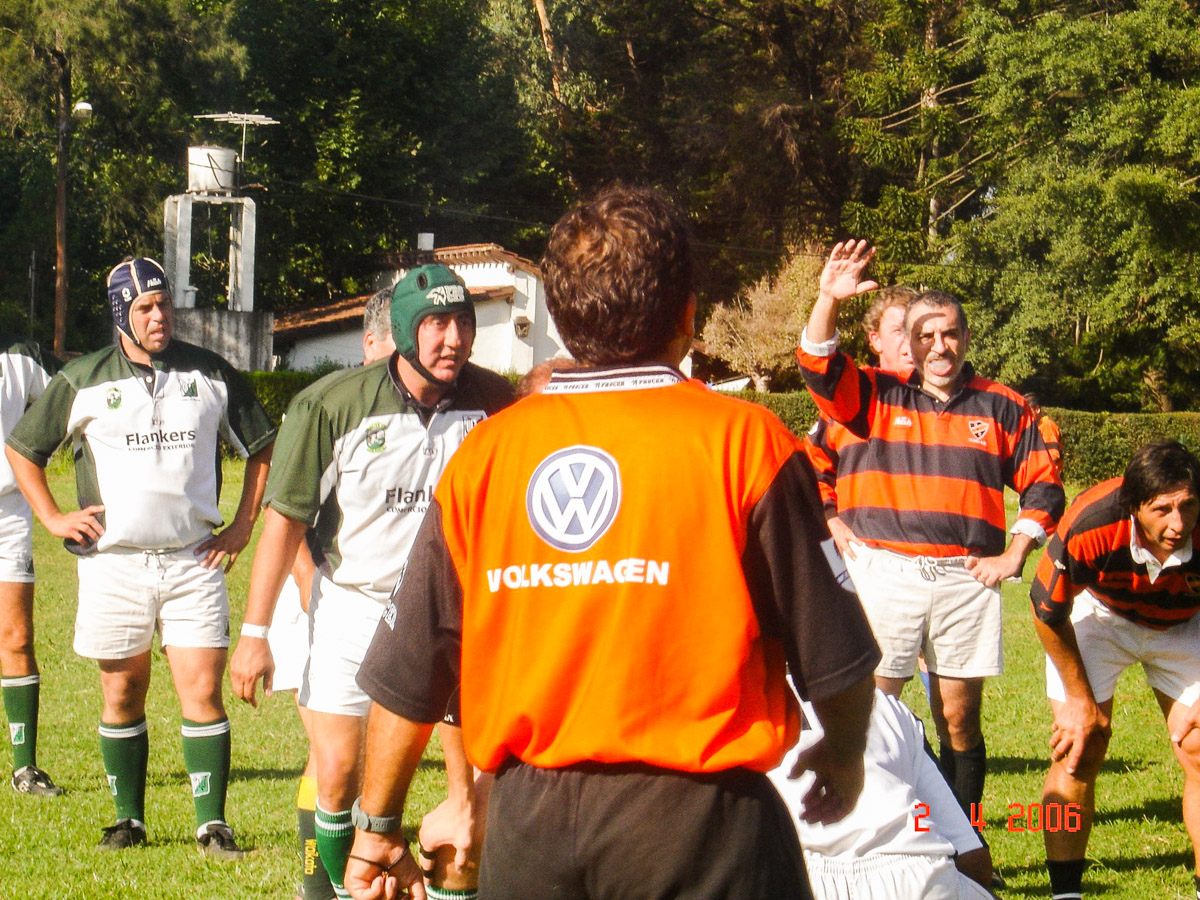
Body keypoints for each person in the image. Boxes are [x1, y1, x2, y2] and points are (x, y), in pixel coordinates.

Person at [345, 185, 880, 900]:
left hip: (528, 830)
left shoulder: (485, 456)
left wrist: (378, 825)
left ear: (562, 318)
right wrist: (844, 758)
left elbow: (410, 667)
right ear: (689, 311)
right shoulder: (745, 443)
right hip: (701, 825)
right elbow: (835, 654)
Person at [230, 264, 514, 900]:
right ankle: (329, 890)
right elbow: (283, 522)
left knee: (465, 790)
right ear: (406, 330)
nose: (453, 339)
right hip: (352, 606)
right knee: (336, 770)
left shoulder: (495, 403)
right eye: (437, 324)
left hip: (455, 614)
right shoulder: (333, 403)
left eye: (463, 323)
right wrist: (254, 633)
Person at [5, 257, 275, 855]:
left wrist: (242, 526)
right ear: (119, 313)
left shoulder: (211, 373)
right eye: (145, 308)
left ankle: (213, 825)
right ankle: (130, 819)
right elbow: (24, 448)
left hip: (192, 561)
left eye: (164, 306)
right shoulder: (82, 379)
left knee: (201, 690)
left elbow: (263, 446)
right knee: (121, 693)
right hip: (114, 564)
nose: (159, 317)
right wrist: (52, 516)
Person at [796, 240, 1065, 821]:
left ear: (965, 338)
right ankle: (868, 834)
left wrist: (1015, 552)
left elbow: (1043, 483)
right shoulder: (873, 393)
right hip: (885, 571)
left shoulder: (1003, 405)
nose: (938, 347)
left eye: (949, 335)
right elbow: (818, 367)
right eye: (925, 336)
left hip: (965, 579)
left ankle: (962, 837)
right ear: (910, 344)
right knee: (871, 709)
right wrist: (827, 299)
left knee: (960, 718)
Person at [268, 288, 397, 900]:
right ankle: (315, 883)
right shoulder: (332, 405)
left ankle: (349, 874)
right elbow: (289, 511)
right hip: (319, 599)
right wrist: (304, 582)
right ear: (372, 342)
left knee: (360, 761)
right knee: (330, 759)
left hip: (392, 609)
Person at [1030, 440, 1200, 900]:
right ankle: (1066, 893)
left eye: (1187, 506)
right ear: (1131, 507)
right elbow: (1046, 610)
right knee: (1079, 748)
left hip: (1184, 623)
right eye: (1162, 509)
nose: (1178, 524)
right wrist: (1079, 701)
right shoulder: (1091, 521)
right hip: (1099, 616)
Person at [770, 689, 995, 900]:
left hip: (800, 878)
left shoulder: (744, 716)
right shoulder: (888, 706)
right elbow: (972, 857)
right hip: (919, 872)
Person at [804, 286, 916, 557]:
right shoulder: (854, 396)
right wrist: (830, 518)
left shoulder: (950, 403)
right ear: (875, 340)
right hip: (861, 555)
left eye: (916, 330)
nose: (910, 341)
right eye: (899, 331)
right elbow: (808, 470)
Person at [0, 337, 60, 797]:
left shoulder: (18, 360)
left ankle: (25, 768)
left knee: (16, 636)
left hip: (8, 513)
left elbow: (72, 398)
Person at [1024, 393, 1064, 478]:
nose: (1025, 416)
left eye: (1028, 412)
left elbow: (1053, 456)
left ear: (1037, 409)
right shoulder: (1035, 428)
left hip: (1049, 477)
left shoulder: (1047, 426)